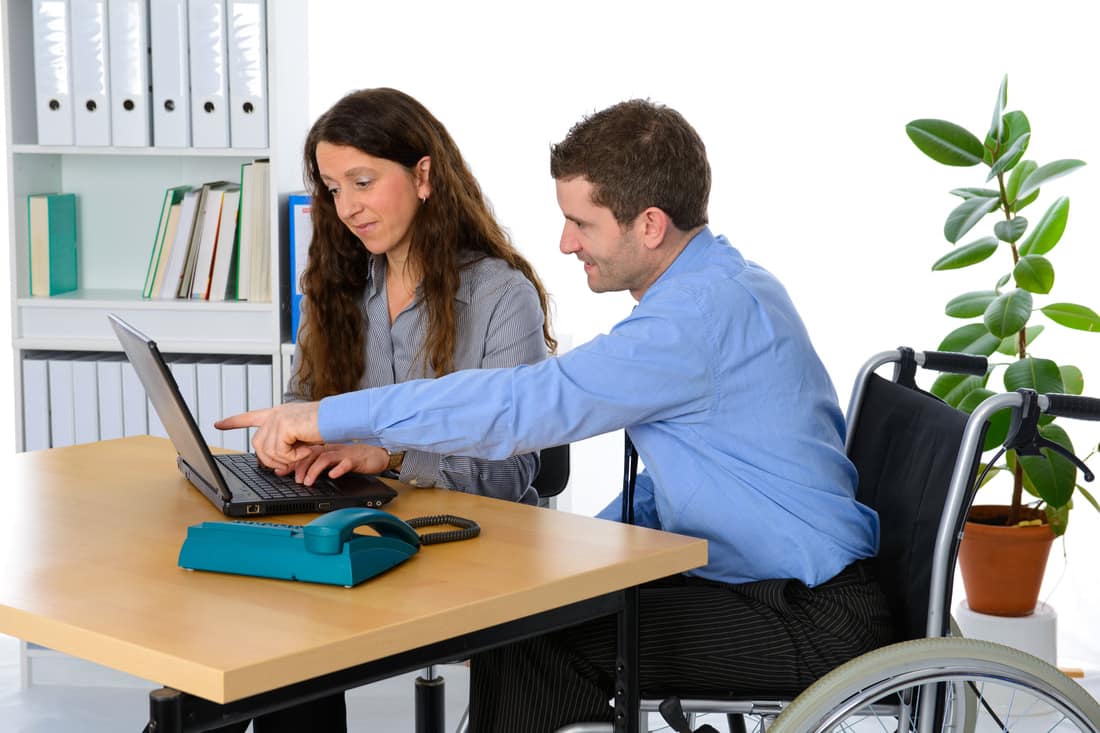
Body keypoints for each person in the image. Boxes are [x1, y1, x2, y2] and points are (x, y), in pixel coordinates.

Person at [218, 99, 894, 732]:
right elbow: (688, 483)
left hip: (805, 613)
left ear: (649, 225)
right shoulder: (725, 285)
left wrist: (329, 417)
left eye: (582, 223)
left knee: (528, 637)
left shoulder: (689, 322)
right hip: (767, 585)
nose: (567, 243)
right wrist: (571, 557)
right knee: (537, 613)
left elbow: (521, 404)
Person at [212, 88, 556, 733]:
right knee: (244, 631)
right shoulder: (337, 286)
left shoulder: (500, 296)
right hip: (353, 529)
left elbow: (510, 474)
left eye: (363, 182)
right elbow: (303, 402)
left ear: (424, 176)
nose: (347, 207)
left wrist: (390, 455)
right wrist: (287, 441)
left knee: (284, 627)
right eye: (333, 189)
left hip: (467, 547)